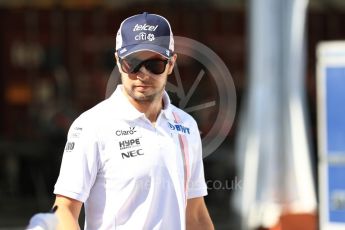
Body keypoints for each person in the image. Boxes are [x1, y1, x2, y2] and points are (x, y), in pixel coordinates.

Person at [53, 12, 214, 230]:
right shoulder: (92, 125)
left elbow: (194, 212)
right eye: (133, 63)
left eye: (155, 64)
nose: (143, 74)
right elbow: (63, 209)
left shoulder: (186, 125)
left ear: (170, 64)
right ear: (119, 62)